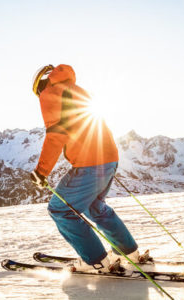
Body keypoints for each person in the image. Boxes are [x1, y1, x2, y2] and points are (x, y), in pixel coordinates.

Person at [29, 64, 144, 273]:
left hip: (91, 163)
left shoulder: (50, 93)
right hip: (108, 157)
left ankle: (95, 260)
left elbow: (56, 135)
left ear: (41, 84)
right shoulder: (77, 90)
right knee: (95, 207)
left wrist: (41, 171)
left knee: (60, 209)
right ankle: (128, 252)